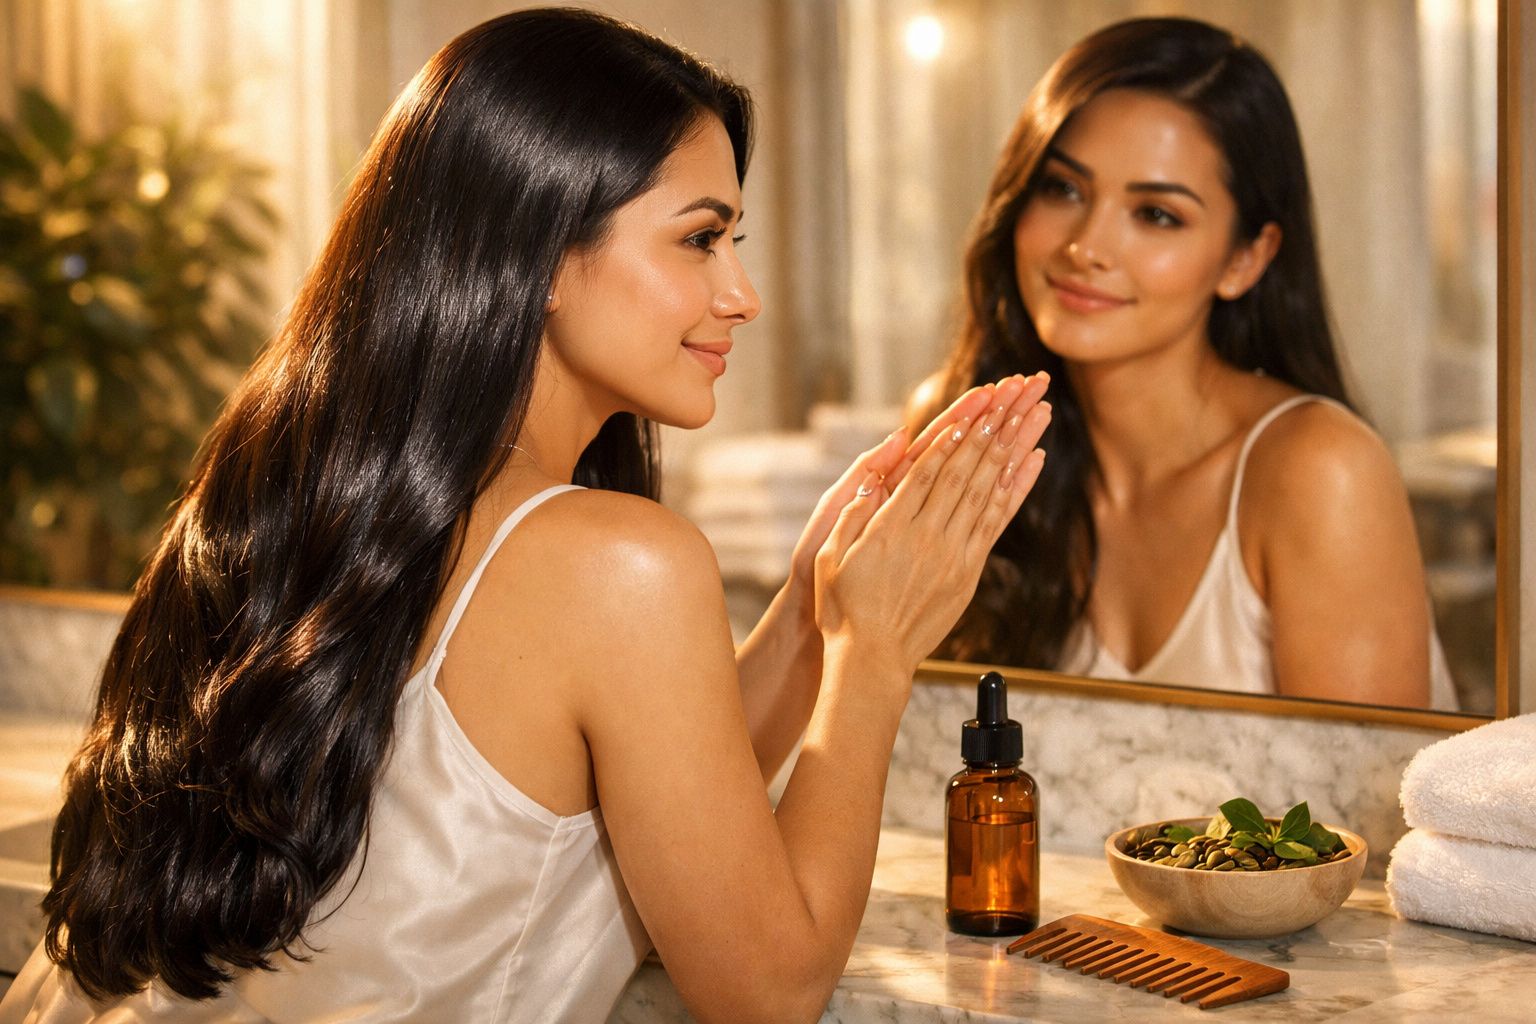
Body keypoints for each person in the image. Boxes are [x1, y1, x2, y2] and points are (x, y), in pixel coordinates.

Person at [0, 9, 1053, 1024]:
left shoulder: (295, 487)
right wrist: (876, 652)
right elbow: (768, 994)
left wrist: (815, 612)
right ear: (540, 253)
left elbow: (650, 783)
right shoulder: (614, 560)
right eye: (700, 239)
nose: (743, 293)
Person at [909, 16, 1455, 710]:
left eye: (1156, 215)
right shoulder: (964, 430)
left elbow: (1371, 782)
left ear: (1245, 258)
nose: (1086, 247)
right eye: (1063, 189)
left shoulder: (1320, 472)